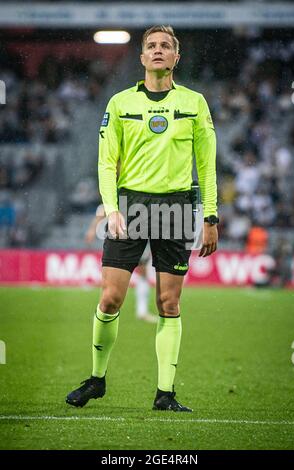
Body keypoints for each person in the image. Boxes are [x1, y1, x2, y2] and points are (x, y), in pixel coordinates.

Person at [66, 25, 218, 412]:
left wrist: (210, 216)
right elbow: (105, 162)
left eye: (165, 46)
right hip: (131, 206)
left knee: (169, 303)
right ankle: (97, 380)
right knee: (110, 297)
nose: (157, 51)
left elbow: (207, 164)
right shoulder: (119, 103)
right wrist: (112, 208)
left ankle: (165, 394)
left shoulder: (195, 103)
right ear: (141, 57)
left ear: (176, 57)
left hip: (178, 206)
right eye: (151, 45)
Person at [85, 204, 157, 323]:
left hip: (138, 236)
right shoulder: (118, 196)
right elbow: (102, 210)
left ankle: (142, 311)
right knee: (111, 282)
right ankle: (102, 312)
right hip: (120, 240)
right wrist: (92, 230)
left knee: (142, 272)